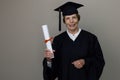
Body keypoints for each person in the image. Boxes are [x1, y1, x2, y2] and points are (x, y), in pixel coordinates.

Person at [43, 1, 105, 80]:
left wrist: (84, 61)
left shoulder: (91, 38)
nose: (71, 21)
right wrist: (48, 60)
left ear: (78, 19)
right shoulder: (58, 40)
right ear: (64, 21)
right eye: (67, 18)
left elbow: (99, 61)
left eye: (74, 17)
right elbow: (52, 69)